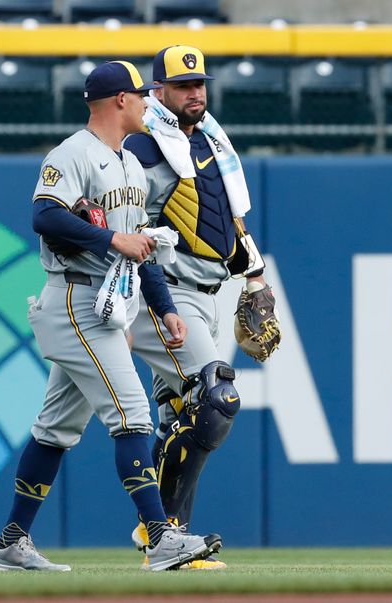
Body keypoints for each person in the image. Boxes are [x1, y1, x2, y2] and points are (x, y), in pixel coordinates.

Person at [0, 61, 222, 573]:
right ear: (119, 101)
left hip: (106, 302)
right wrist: (113, 238)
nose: (146, 103)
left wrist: (164, 309)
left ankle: (10, 541)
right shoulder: (72, 153)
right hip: (73, 299)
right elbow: (44, 215)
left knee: (55, 430)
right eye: (140, 96)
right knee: (133, 415)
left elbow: (143, 248)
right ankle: (161, 537)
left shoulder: (131, 166)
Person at [123, 46, 276, 570]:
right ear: (158, 91)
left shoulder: (211, 143)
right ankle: (161, 532)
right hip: (164, 293)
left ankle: (170, 543)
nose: (196, 93)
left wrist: (254, 277)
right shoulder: (143, 149)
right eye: (184, 85)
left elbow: (226, 222)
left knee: (177, 419)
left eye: (200, 84)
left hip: (209, 293)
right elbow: (127, 222)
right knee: (218, 399)